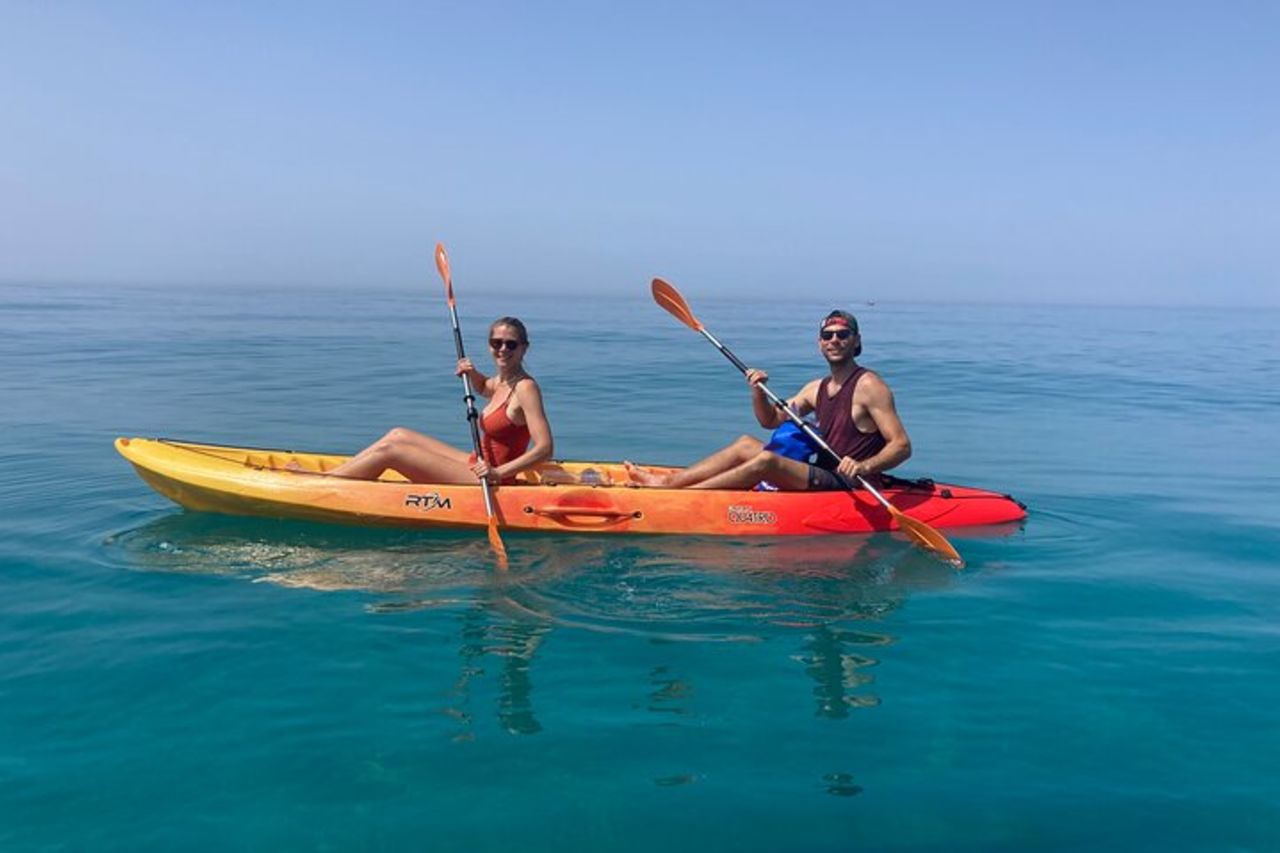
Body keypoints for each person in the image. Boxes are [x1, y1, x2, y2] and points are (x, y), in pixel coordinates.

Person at [627, 310, 910, 491]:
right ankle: (668, 483)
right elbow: (770, 420)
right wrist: (758, 392)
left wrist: (864, 466)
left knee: (767, 461)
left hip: (851, 481)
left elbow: (901, 445)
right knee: (745, 444)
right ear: (820, 343)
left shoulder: (869, 386)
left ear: (856, 341)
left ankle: (686, 496)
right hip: (822, 471)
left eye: (842, 334)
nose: (834, 340)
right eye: (827, 335)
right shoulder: (816, 389)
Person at [325, 317, 553, 485]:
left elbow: (545, 449)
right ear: (489, 345)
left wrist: (497, 473)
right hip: (476, 461)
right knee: (398, 434)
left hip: (488, 477)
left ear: (524, 348)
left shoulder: (525, 388)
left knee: (391, 452)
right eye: (496, 343)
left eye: (511, 344)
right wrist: (472, 373)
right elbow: (485, 387)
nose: (503, 349)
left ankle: (327, 485)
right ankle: (336, 475)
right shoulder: (502, 381)